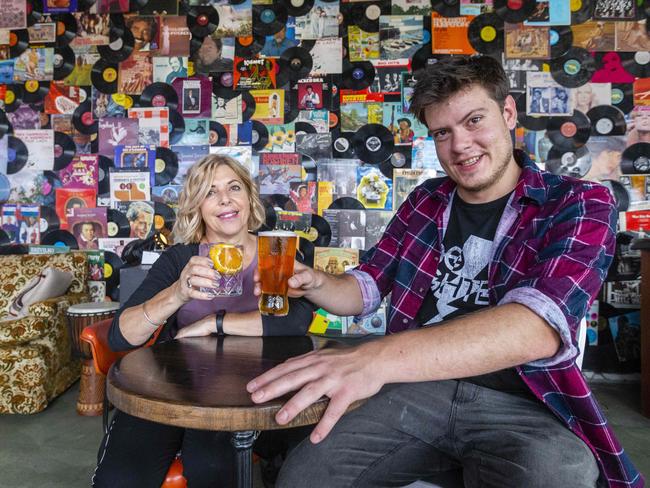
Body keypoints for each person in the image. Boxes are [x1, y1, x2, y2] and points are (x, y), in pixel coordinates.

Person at [247, 56, 642, 487]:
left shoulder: (580, 202)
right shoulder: (425, 200)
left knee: (554, 475)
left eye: (474, 121)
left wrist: (371, 359)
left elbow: (535, 327)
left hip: (527, 402)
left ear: (507, 113)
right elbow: (366, 287)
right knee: (304, 477)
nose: (460, 146)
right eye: (442, 133)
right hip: (416, 389)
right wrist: (318, 282)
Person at [92, 155, 315, 487]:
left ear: (249, 198)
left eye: (234, 187)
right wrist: (177, 293)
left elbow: (295, 320)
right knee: (121, 476)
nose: (225, 199)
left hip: (245, 392)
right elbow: (121, 337)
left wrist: (215, 323)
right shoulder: (180, 258)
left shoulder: (276, 251)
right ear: (197, 206)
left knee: (212, 467)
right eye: (210, 192)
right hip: (171, 386)